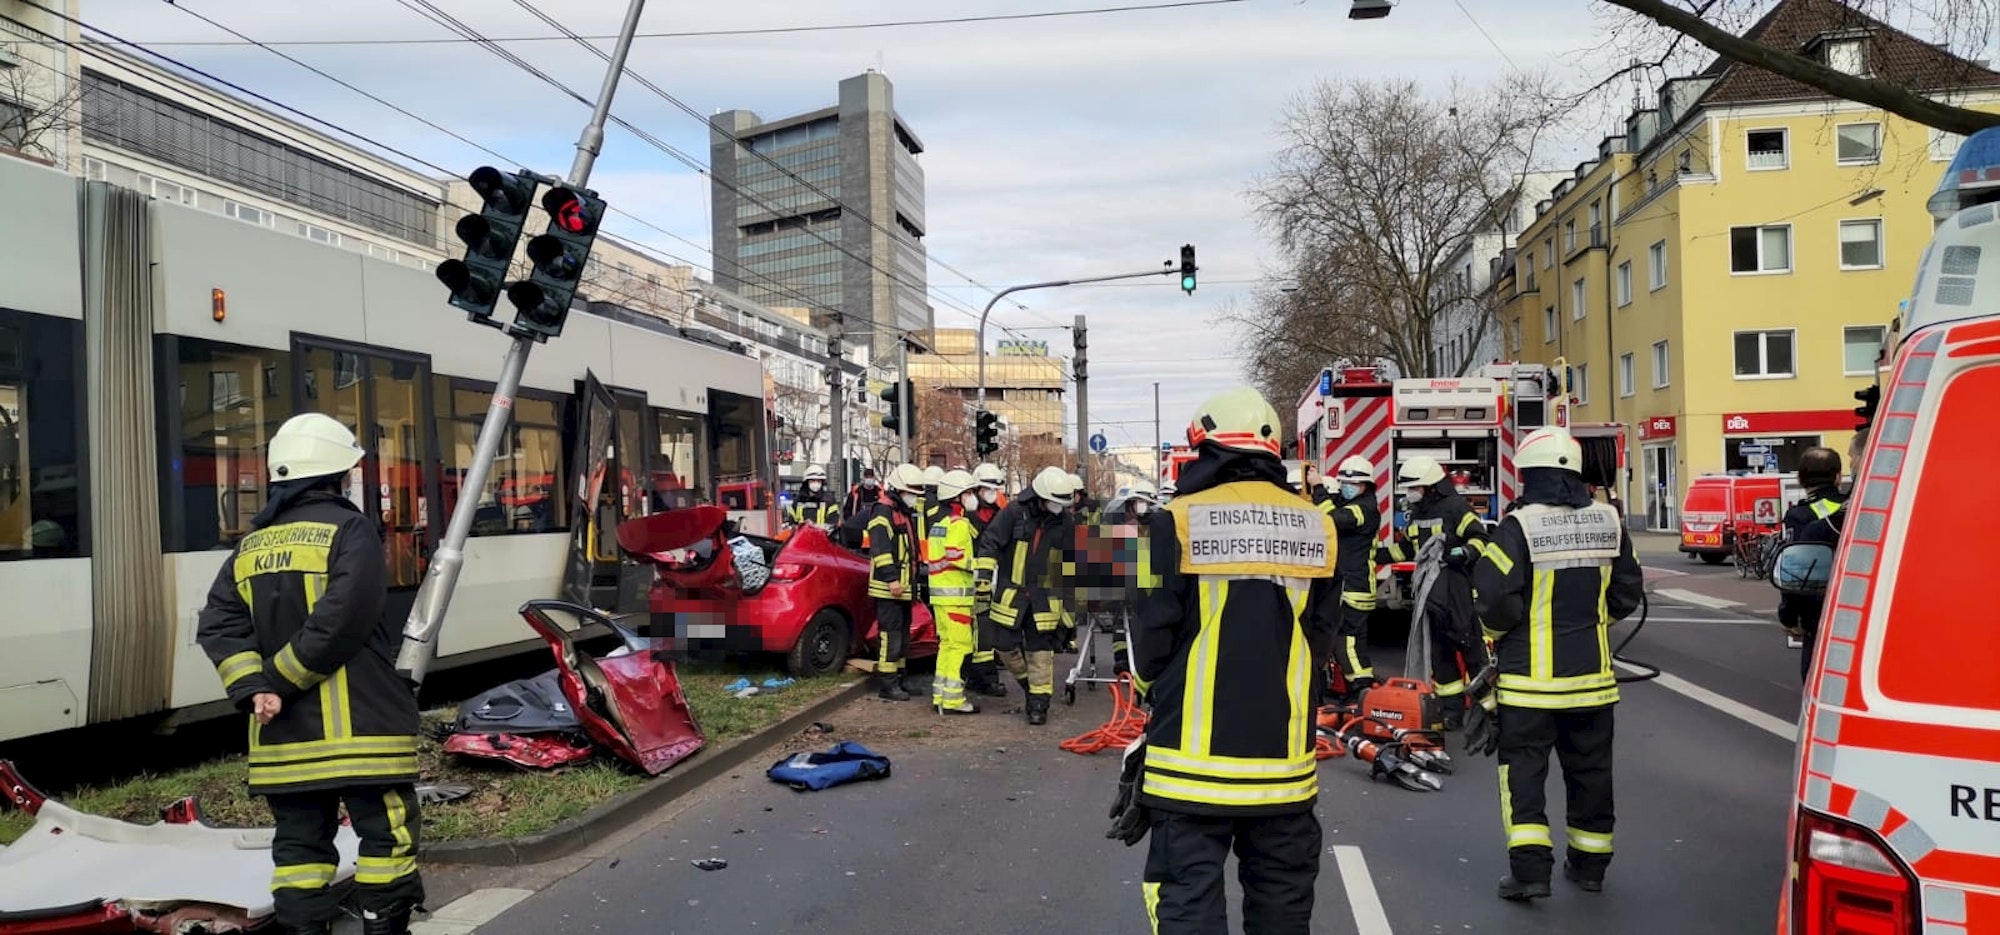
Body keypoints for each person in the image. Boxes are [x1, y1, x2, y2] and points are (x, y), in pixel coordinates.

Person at [194, 413, 424, 935]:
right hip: (364, 735)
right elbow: (344, 620)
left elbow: (219, 624)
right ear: (338, 475)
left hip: (283, 741)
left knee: (299, 854)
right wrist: (278, 682)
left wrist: (254, 688)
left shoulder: (250, 546)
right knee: (387, 840)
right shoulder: (350, 530)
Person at [1122, 385, 1340, 933]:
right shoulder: (1318, 525)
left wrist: (1151, 691)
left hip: (1188, 767)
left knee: (1187, 897)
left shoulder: (1172, 521)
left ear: (1206, 449)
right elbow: (1321, 637)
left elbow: (1150, 636)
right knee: (1282, 903)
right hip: (1282, 766)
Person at [1467, 427, 1644, 902]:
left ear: (1530, 474)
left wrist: (1501, 637)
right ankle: (1590, 867)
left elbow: (1495, 603)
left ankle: (1530, 873)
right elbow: (1627, 592)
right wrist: (1591, 622)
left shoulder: (1519, 527)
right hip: (1593, 684)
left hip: (1530, 687)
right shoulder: (1610, 521)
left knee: (1523, 775)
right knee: (1591, 774)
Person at [1385, 454, 1491, 728]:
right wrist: (1377, 555)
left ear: (1430, 486)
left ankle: (1490, 710)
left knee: (1471, 652)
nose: (1410, 493)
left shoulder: (1456, 507)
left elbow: (1481, 538)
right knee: (1441, 656)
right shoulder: (1417, 513)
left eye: (1415, 487)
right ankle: (1452, 712)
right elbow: (1408, 549)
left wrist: (1464, 552)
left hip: (1457, 590)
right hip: (1431, 595)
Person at [977, 466, 1078, 725]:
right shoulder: (1013, 513)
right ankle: (1030, 687)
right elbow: (990, 543)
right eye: (1055, 502)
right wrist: (984, 579)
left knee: (1040, 652)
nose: (1059, 508)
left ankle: (1038, 705)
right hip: (1012, 595)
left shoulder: (1065, 522)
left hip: (1045, 598)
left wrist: (1070, 609)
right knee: (1004, 646)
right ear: (1040, 496)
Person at [1779, 447, 1848, 682]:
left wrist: (1788, 615)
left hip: (1817, 612)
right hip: (1855, 606)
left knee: (1815, 679)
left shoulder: (1799, 516)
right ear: (1838, 477)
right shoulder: (1855, 507)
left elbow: (1794, 570)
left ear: (1800, 479)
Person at [1323, 456, 1382, 702]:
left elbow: (1332, 519)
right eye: (1344, 483)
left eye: (1353, 483)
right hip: (1350, 585)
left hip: (1355, 588)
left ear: (1365, 485)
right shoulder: (1352, 503)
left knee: (1348, 641)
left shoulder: (1364, 508)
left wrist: (1318, 489)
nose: (1347, 487)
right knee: (1350, 641)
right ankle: (1358, 689)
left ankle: (1360, 689)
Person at [866, 463, 928, 701]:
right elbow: (881, 550)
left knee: (902, 635)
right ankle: (888, 683)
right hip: (888, 588)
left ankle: (900, 678)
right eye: (911, 493)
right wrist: (891, 579)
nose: (914, 498)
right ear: (899, 490)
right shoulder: (883, 512)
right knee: (890, 636)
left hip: (903, 587)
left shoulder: (901, 511)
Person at [925, 469, 983, 714]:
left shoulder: (938, 525)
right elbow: (956, 557)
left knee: (947, 645)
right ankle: (954, 700)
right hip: (956, 597)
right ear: (957, 497)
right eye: (968, 493)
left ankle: (940, 696)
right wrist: (981, 565)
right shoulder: (959, 524)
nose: (972, 497)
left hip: (940, 597)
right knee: (960, 646)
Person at [961, 463, 1011, 699]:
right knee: (980, 631)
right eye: (988, 489)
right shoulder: (967, 514)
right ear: (977, 488)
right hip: (972, 579)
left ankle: (982, 677)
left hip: (992, 578)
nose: (992, 493)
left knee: (986, 631)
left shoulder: (998, 513)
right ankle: (982, 678)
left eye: (995, 489)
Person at [838, 467, 885, 549]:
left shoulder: (880, 493)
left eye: (871, 477)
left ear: (874, 478)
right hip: (858, 530)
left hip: (876, 530)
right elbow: (847, 510)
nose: (869, 479)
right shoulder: (855, 493)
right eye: (867, 477)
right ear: (863, 478)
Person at [786, 464, 841, 530]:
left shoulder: (829, 501)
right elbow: (792, 524)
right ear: (806, 482)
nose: (816, 484)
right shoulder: (798, 501)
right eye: (813, 480)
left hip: (821, 536)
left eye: (818, 481)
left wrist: (814, 526)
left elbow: (833, 525)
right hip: (802, 536)